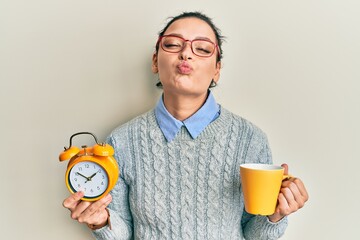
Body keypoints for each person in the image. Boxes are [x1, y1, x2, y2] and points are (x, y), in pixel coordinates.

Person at [63, 11, 309, 239]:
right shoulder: (122, 140)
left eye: (202, 48)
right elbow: (123, 232)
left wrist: (275, 215)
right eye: (172, 45)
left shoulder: (250, 139)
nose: (186, 54)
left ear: (217, 70)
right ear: (155, 62)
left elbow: (253, 234)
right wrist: (101, 221)